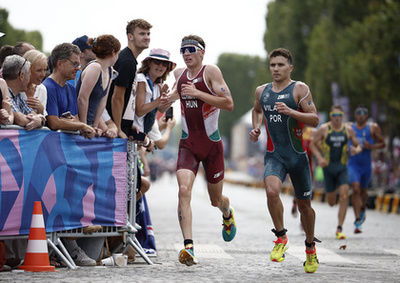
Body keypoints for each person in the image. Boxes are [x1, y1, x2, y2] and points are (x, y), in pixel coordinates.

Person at [161, 35, 236, 266]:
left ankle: (227, 213)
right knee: (183, 190)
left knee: (215, 200)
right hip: (188, 144)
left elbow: (229, 103)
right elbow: (176, 94)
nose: (186, 53)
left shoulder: (211, 72)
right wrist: (165, 98)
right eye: (183, 49)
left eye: (191, 49)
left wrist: (199, 94)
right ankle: (189, 248)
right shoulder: (178, 74)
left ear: (202, 52)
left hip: (212, 146)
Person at [249, 48, 320, 273]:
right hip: (274, 155)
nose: (276, 69)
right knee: (271, 192)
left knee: (304, 207)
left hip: (298, 157)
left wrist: (291, 111)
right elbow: (257, 110)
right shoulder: (262, 91)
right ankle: (281, 237)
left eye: (280, 65)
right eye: (272, 65)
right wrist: (256, 128)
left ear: (290, 67)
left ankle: (310, 249)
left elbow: (315, 119)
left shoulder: (299, 89)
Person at [310, 105, 362, 240]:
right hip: (328, 169)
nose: (337, 118)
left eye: (339, 116)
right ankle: (335, 202)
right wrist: (320, 158)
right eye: (334, 115)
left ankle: (339, 228)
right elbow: (312, 144)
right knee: (332, 202)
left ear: (342, 117)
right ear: (331, 116)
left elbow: (358, 145)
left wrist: (357, 149)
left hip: (342, 167)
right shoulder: (324, 129)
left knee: (345, 196)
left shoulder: (348, 130)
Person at [106, 18, 152, 139]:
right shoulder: (127, 61)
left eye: (148, 34)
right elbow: (117, 97)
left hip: (121, 125)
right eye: (142, 34)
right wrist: (118, 127)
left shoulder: (130, 59)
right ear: (130, 36)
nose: (146, 37)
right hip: (113, 131)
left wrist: (127, 124)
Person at [43, 43, 95, 139]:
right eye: (74, 64)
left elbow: (76, 120)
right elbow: (54, 123)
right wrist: (82, 126)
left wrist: (85, 127)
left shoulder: (71, 88)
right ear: (60, 64)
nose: (78, 68)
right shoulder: (48, 87)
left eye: (79, 64)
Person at [348, 104, 385, 233]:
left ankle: (363, 206)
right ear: (355, 114)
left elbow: (383, 142)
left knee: (363, 191)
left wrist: (372, 146)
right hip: (353, 164)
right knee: (356, 189)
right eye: (359, 112)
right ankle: (357, 221)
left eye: (364, 112)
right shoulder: (349, 127)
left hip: (366, 165)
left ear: (367, 115)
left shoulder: (373, 128)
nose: (361, 114)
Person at [76, 34, 121, 137]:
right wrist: (84, 126)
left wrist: (95, 125)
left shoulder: (110, 71)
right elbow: (82, 98)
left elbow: (102, 102)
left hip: (90, 123)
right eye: (118, 53)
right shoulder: (95, 68)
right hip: (79, 121)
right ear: (113, 52)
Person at [2, 55, 45, 130]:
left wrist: (40, 120)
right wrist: (38, 120)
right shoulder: (4, 93)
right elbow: (20, 120)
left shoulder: (18, 95)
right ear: (21, 76)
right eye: (29, 75)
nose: (29, 79)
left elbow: (37, 117)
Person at [22, 50, 48, 116]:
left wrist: (41, 110)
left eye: (45, 70)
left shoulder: (42, 89)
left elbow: (42, 121)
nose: (43, 75)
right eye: (39, 70)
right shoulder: (16, 87)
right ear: (27, 69)